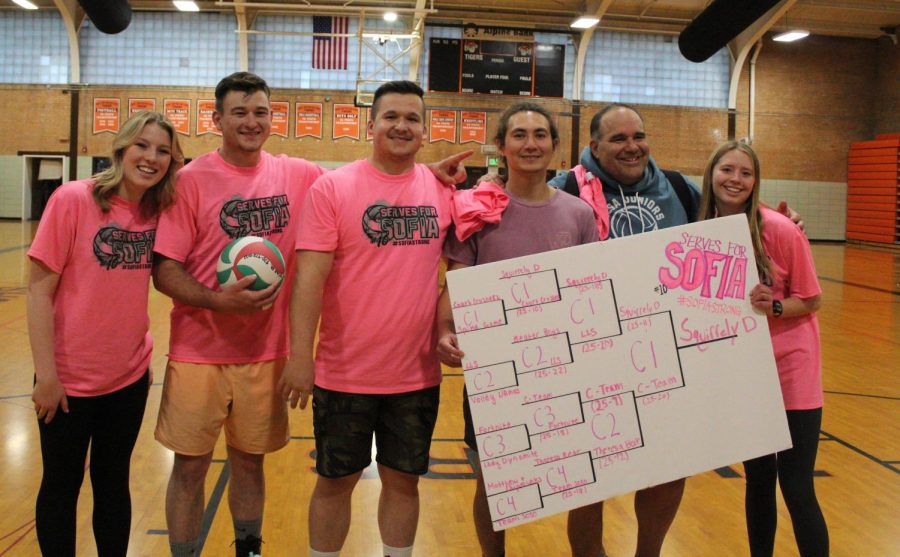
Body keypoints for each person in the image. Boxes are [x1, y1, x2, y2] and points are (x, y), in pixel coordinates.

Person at [544, 103, 805, 557]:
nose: (632, 146)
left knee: (669, 466)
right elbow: (522, 209)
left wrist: (784, 224)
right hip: (594, 352)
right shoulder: (567, 187)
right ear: (594, 146)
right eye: (619, 138)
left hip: (670, 351)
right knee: (591, 479)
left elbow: (737, 210)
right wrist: (486, 188)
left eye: (639, 136)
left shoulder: (680, 190)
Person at [152, 72, 329, 557]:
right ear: (218, 120)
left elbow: (360, 188)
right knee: (189, 467)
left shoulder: (299, 174)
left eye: (260, 112)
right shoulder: (189, 182)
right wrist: (218, 300)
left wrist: (429, 173)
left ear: (272, 117)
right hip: (198, 353)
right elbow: (165, 271)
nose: (251, 122)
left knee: (250, 462)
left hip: (266, 353)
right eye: (240, 113)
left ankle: (247, 549)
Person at [279, 80, 453, 557]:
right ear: (370, 123)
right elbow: (308, 281)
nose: (402, 126)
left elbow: (459, 274)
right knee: (335, 483)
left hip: (416, 375)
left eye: (412, 118)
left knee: (404, 483)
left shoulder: (441, 190)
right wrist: (300, 357)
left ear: (424, 129)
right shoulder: (333, 187)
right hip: (344, 373)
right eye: (391, 116)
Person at [435, 102, 601, 557]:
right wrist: (444, 328)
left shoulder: (579, 215)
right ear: (501, 147)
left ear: (555, 146)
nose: (531, 144)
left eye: (540, 135)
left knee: (584, 480)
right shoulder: (478, 210)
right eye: (520, 135)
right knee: (495, 480)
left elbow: (591, 290)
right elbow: (458, 280)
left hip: (566, 370)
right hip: (497, 372)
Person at [27, 110, 181, 556]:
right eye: (143, 146)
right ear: (121, 148)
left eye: (164, 151)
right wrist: (47, 377)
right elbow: (38, 292)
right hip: (67, 381)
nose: (151, 158)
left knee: (113, 483)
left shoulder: (158, 211)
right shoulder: (74, 199)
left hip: (127, 380)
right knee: (61, 484)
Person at [697, 141, 828, 557]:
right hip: (746, 374)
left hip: (793, 372)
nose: (735, 179)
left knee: (795, 484)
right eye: (727, 170)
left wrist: (771, 305)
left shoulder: (782, 229)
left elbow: (811, 298)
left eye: (745, 173)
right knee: (757, 480)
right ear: (711, 174)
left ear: (756, 181)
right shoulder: (702, 230)